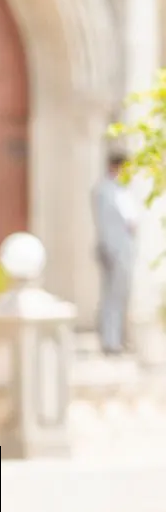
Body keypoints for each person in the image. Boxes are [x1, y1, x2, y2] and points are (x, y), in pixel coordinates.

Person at [92, 146, 139, 355]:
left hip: (126, 250)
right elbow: (103, 223)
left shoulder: (124, 189)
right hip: (112, 250)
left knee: (122, 295)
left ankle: (119, 337)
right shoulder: (103, 190)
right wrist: (107, 249)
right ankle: (109, 341)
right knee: (110, 295)